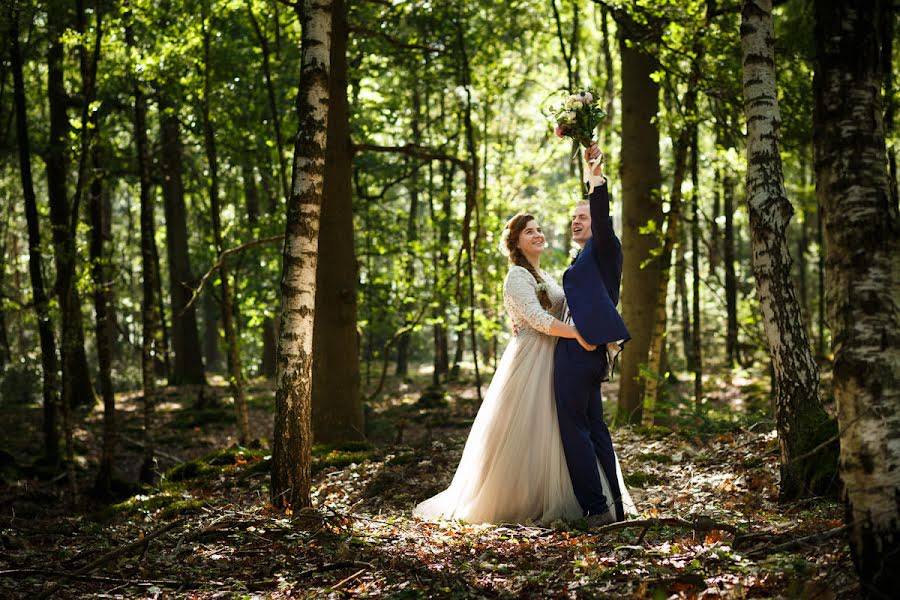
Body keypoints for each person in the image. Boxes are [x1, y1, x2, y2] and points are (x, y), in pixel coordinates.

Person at [412, 212, 594, 524]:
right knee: (528, 427)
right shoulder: (517, 277)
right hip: (530, 359)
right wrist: (577, 334)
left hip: (555, 357)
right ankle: (519, 501)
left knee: (555, 427)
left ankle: (564, 495)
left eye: (538, 229)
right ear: (516, 243)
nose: (537, 235)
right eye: (529, 232)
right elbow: (537, 319)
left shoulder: (545, 275)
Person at [555, 143, 633, 526]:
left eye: (583, 216)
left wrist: (594, 176)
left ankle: (595, 509)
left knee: (573, 427)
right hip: (588, 352)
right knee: (594, 427)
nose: (576, 221)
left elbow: (601, 215)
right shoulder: (585, 258)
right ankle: (614, 506)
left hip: (580, 349)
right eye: (573, 217)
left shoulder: (605, 246)